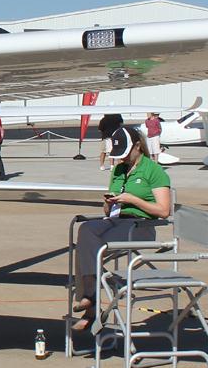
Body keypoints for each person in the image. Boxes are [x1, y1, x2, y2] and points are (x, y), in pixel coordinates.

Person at [73, 126, 174, 330]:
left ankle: (90, 298)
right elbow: (106, 209)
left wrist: (133, 200)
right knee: (84, 231)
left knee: (91, 246)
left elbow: (164, 211)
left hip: (140, 225)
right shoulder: (119, 169)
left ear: (138, 146)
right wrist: (109, 203)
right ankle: (94, 294)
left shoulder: (153, 170)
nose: (122, 158)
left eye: (126, 153)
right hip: (116, 220)